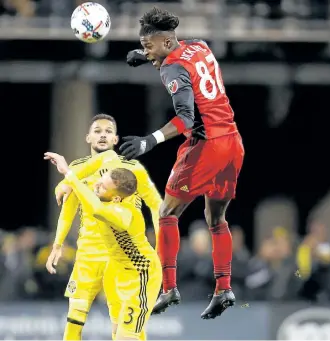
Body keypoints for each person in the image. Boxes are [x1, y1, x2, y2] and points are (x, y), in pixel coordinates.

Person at [121, 7, 245, 319]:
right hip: (233, 142)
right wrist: (143, 54)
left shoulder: (170, 69)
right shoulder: (200, 45)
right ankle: (224, 287)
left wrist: (149, 140)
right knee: (215, 218)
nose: (149, 53)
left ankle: (169, 288)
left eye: (149, 47)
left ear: (164, 42)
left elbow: (186, 117)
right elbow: (180, 57)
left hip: (207, 146)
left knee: (167, 213)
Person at [46, 113, 162, 340]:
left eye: (108, 131)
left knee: (123, 326)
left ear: (116, 139)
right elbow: (68, 208)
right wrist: (58, 244)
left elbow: (157, 206)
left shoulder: (130, 170)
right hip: (87, 254)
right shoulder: (81, 167)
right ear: (87, 137)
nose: (102, 135)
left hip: (120, 259)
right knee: (73, 320)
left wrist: (162, 243)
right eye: (97, 131)